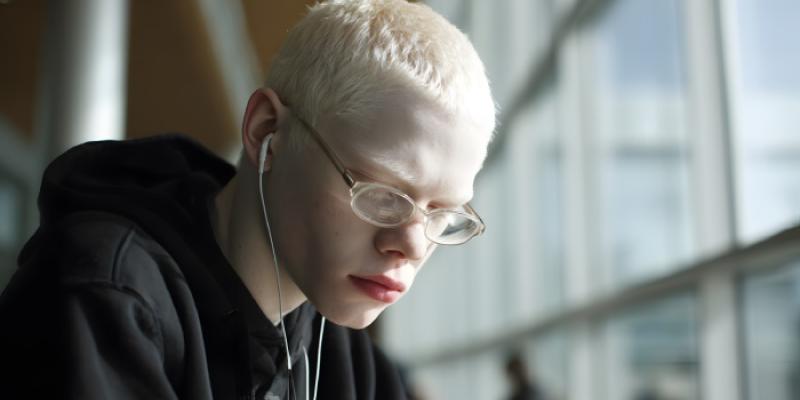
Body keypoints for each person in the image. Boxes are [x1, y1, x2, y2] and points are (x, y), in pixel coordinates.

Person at [0, 0, 495, 398]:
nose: (410, 246)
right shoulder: (102, 295)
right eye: (383, 193)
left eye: (443, 213)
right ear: (266, 133)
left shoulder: (346, 356)